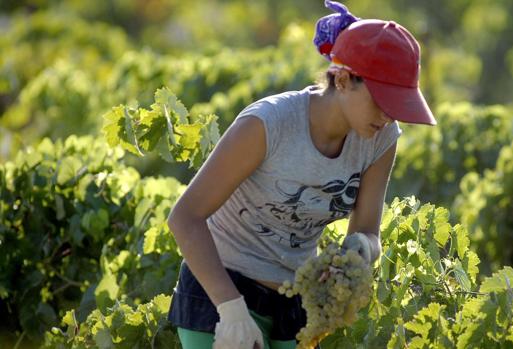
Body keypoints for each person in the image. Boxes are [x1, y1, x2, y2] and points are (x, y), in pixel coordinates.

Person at [166, 1, 436, 348]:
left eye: (397, 105)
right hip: (220, 291)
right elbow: (184, 218)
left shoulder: (381, 138)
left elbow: (368, 231)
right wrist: (231, 309)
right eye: (382, 101)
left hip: (295, 300)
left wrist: (360, 248)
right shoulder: (268, 125)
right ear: (342, 79)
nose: (388, 115)